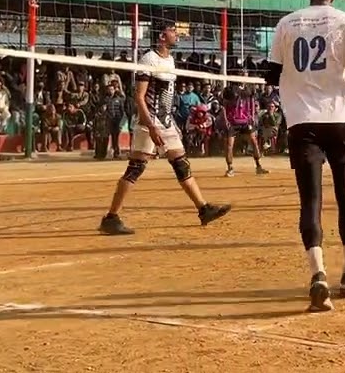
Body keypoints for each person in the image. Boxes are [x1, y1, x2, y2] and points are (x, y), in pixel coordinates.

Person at [266, 0, 345, 312]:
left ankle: (318, 276)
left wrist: (297, 83)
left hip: (302, 121)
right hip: (340, 117)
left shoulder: (287, 23)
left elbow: (271, 74)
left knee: (310, 200)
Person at [98, 23, 232, 236]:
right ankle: (111, 217)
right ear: (162, 36)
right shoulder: (148, 59)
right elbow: (139, 97)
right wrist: (151, 126)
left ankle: (203, 208)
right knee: (136, 168)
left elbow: (167, 97)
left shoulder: (169, 60)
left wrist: (172, 124)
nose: (176, 34)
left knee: (181, 163)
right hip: (149, 122)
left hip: (167, 122)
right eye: (172, 30)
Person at [222, 85, 268, 177]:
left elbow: (252, 102)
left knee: (254, 142)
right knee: (229, 145)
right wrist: (226, 120)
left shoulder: (247, 92)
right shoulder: (230, 92)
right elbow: (224, 107)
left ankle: (258, 166)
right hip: (233, 122)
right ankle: (230, 168)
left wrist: (252, 115)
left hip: (245, 121)